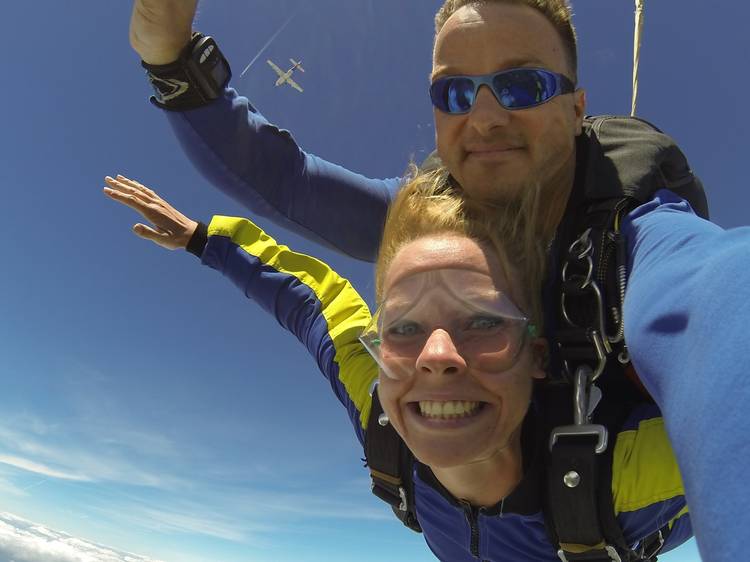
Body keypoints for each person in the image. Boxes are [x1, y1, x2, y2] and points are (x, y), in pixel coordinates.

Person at [128, 1, 749, 559]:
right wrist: (173, 65)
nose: (483, 117)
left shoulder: (641, 248)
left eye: (523, 85)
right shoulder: (416, 268)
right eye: (454, 93)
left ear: (578, 107)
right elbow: (302, 244)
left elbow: (717, 310)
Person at [103, 172, 693, 561]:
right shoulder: (386, 424)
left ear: (537, 355)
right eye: (404, 328)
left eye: (483, 321)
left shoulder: (623, 476)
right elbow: (314, 303)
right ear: (381, 355)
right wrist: (206, 241)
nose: (437, 357)